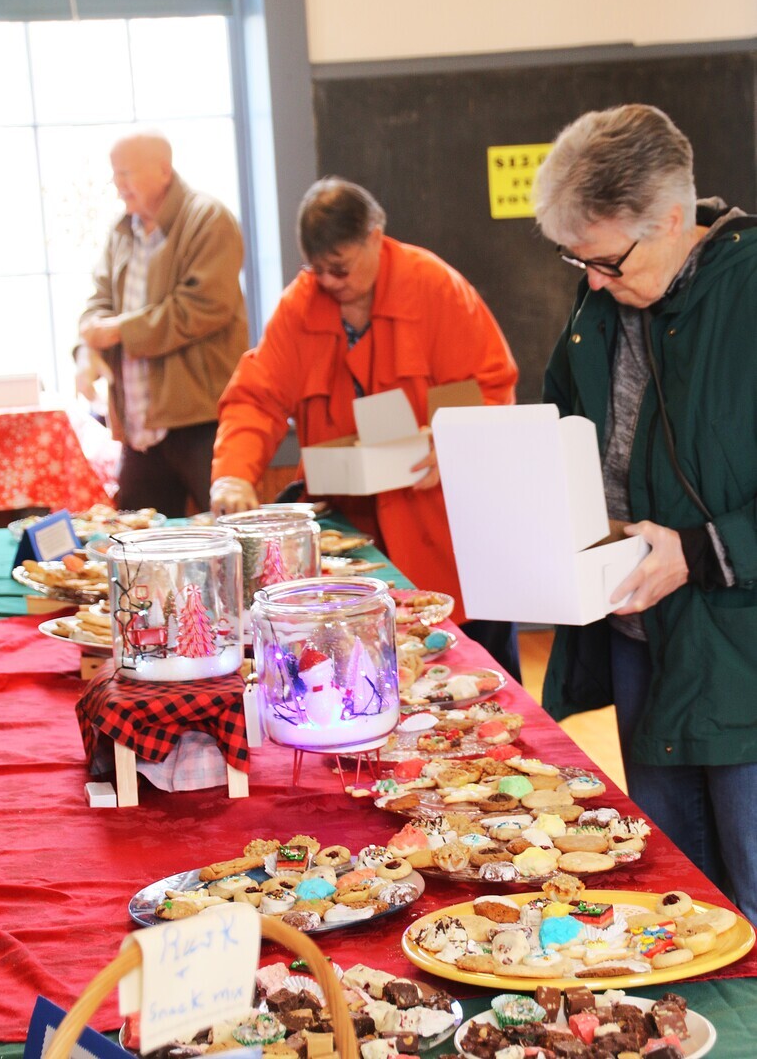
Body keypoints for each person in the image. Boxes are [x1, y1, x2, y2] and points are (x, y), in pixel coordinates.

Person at [533, 103, 757, 924]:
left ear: (671, 218)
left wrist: (701, 552)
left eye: (604, 259)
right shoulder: (600, 302)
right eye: (576, 259)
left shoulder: (748, 291)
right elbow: (564, 433)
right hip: (641, 634)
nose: (592, 280)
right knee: (675, 904)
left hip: (739, 650)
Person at [210, 176, 521, 678]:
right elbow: (256, 397)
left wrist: (455, 442)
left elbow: (493, 386)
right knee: (355, 671)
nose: (330, 282)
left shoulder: (435, 287)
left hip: (443, 517)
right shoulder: (300, 305)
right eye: (318, 270)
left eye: (340, 267)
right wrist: (233, 472)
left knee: (476, 667)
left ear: (375, 235)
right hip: (351, 527)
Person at [77, 131, 248, 516]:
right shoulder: (123, 230)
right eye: (114, 174)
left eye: (126, 173)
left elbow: (205, 305)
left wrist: (120, 330)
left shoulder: (208, 218)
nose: (118, 184)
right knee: (137, 541)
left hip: (201, 419)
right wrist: (86, 347)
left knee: (229, 531)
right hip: (138, 427)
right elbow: (96, 303)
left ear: (164, 171)